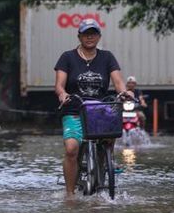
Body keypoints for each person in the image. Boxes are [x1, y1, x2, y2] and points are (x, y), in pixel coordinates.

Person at [54, 18, 131, 199]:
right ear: (79, 36)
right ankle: (70, 194)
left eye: (93, 33)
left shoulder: (107, 57)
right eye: (86, 33)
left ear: (99, 36)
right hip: (74, 109)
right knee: (72, 149)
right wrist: (62, 94)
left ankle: (105, 163)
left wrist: (125, 92)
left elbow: (118, 82)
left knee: (110, 136)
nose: (90, 37)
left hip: (99, 110)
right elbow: (59, 85)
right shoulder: (67, 57)